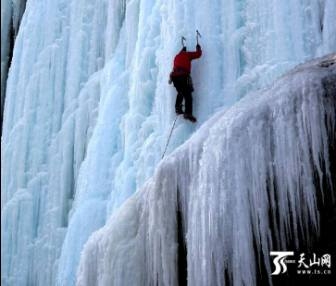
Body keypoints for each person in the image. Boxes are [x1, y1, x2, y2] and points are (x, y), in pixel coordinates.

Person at [169, 44, 202, 122]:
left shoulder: (176, 57)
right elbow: (198, 54)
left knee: (180, 92)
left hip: (175, 77)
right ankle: (188, 113)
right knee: (188, 95)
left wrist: (170, 79)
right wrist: (198, 48)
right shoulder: (187, 54)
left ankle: (178, 108)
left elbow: (174, 68)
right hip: (183, 76)